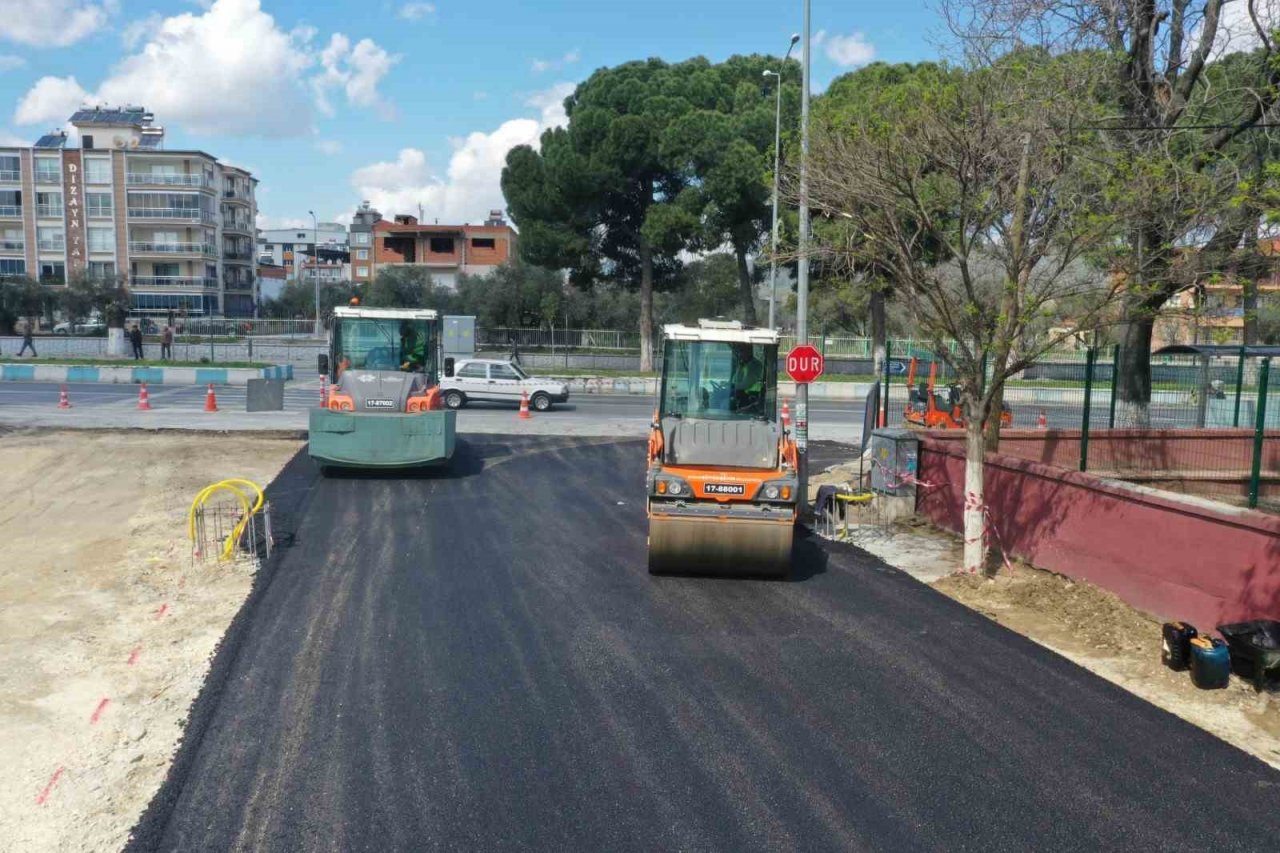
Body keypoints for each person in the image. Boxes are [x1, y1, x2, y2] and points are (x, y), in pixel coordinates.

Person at [730, 344, 765, 413]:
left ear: (749, 351)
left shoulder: (755, 365)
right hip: (739, 393)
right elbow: (736, 379)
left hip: (751, 396)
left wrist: (732, 386)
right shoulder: (742, 364)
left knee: (725, 402)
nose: (739, 354)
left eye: (741, 351)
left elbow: (746, 384)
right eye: (738, 351)